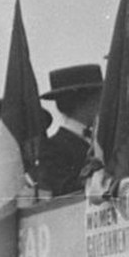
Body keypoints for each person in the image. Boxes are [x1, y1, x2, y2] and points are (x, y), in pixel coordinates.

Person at [38, 63, 103, 196]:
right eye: (99, 97)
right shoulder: (52, 147)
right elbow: (62, 190)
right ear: (85, 101)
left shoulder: (100, 138)